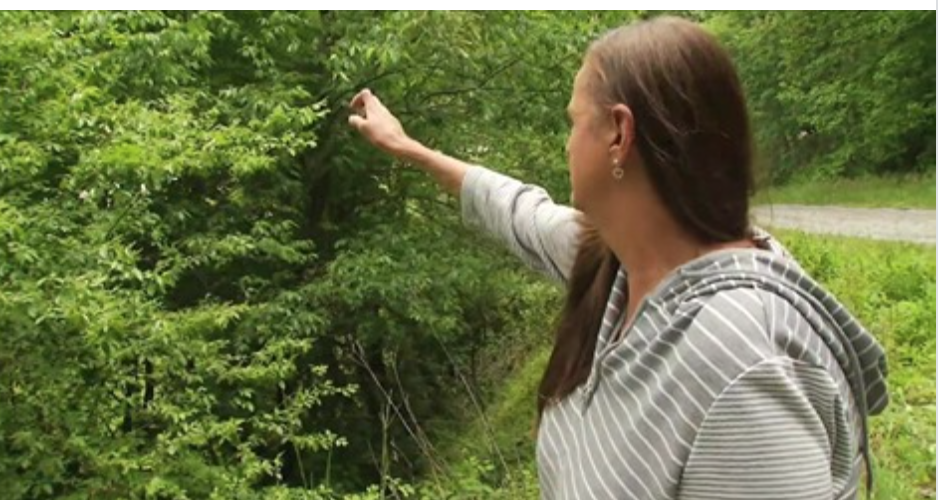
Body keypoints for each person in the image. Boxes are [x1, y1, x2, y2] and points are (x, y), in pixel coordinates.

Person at [348, 16, 888, 500]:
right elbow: (517, 209)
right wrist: (407, 148)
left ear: (618, 134)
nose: (566, 144)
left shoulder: (741, 364)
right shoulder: (619, 265)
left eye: (574, 121)